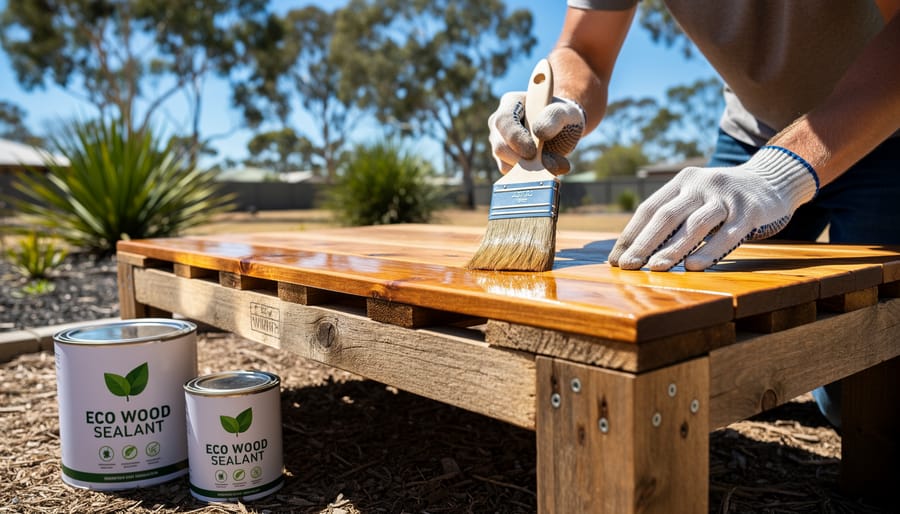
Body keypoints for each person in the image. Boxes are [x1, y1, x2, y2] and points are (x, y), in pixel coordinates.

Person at [488, 1, 900, 429]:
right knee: (702, 322)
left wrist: (780, 173)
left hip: (886, 129)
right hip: (752, 136)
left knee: (863, 406)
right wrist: (562, 101)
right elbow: (585, 49)